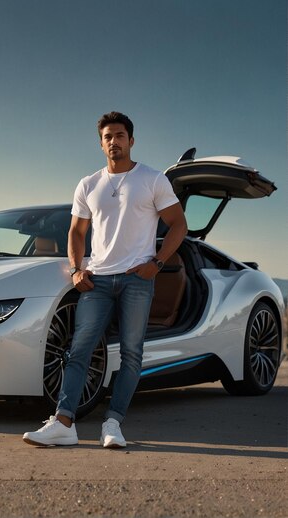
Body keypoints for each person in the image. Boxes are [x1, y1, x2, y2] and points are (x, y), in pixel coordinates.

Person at [23, 111, 187, 448]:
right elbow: (76, 231)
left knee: (131, 354)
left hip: (137, 280)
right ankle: (64, 423)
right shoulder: (88, 184)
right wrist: (75, 269)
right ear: (101, 144)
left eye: (120, 135)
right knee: (78, 349)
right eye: (108, 137)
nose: (114, 142)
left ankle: (113, 424)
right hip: (96, 281)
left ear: (131, 140)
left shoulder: (153, 180)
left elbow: (179, 225)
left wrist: (156, 263)